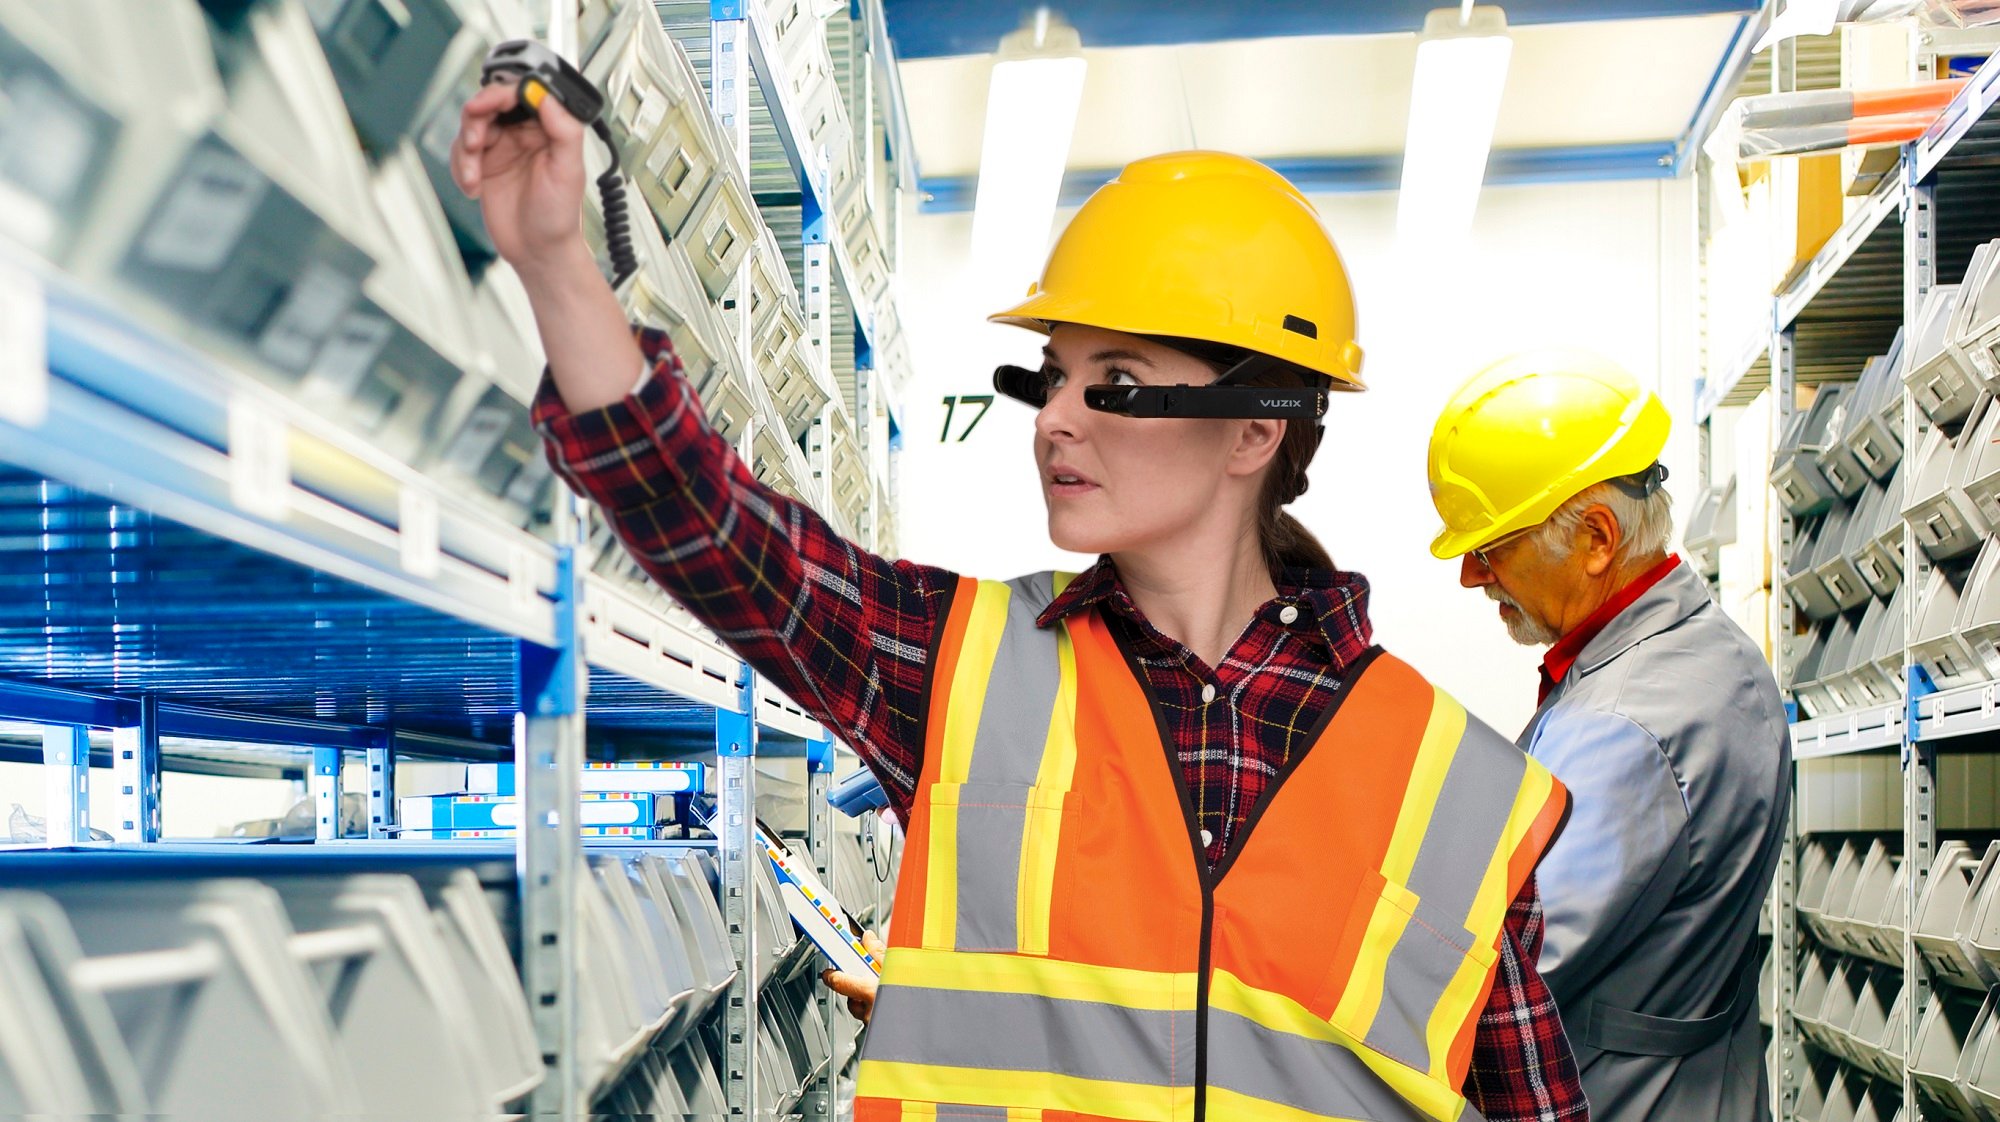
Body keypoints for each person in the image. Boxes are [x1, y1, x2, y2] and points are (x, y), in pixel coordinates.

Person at [453, 77, 1587, 1121]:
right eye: (1051, 378)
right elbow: (714, 529)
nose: (1057, 419)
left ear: (1257, 429)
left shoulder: (1463, 796)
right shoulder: (959, 664)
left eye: (1119, 385)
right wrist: (557, 263)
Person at [1427, 351, 1790, 1121]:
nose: (1472, 575)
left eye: (1490, 548)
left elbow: (1509, 972)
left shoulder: (1624, 725)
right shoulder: (1706, 650)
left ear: (1596, 538)